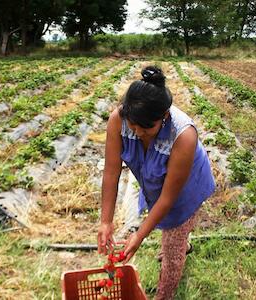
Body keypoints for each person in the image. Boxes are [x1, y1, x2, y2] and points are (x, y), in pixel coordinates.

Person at [97, 65, 215, 300]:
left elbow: (169, 198)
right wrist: (106, 221)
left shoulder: (183, 135)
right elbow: (111, 172)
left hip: (186, 186)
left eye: (147, 127)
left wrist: (139, 236)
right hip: (158, 179)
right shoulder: (118, 120)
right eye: (133, 125)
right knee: (174, 235)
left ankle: (165, 294)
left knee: (172, 242)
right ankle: (183, 242)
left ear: (164, 116)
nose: (138, 132)